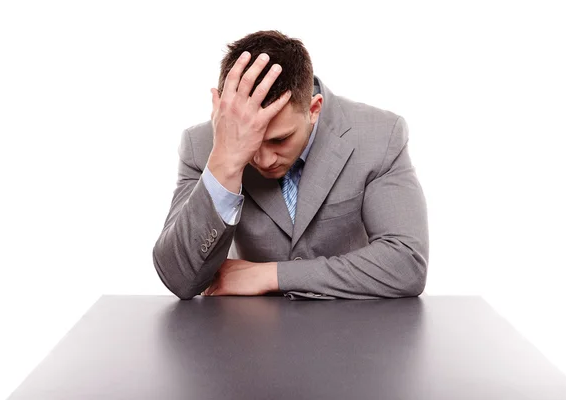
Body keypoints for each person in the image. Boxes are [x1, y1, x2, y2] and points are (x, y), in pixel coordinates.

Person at [152, 30, 429, 300]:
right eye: (251, 143)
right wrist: (226, 160)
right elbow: (179, 278)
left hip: (354, 332)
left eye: (279, 140)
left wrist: (271, 275)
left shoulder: (380, 135)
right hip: (245, 336)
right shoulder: (200, 146)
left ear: (313, 109)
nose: (263, 159)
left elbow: (406, 263)